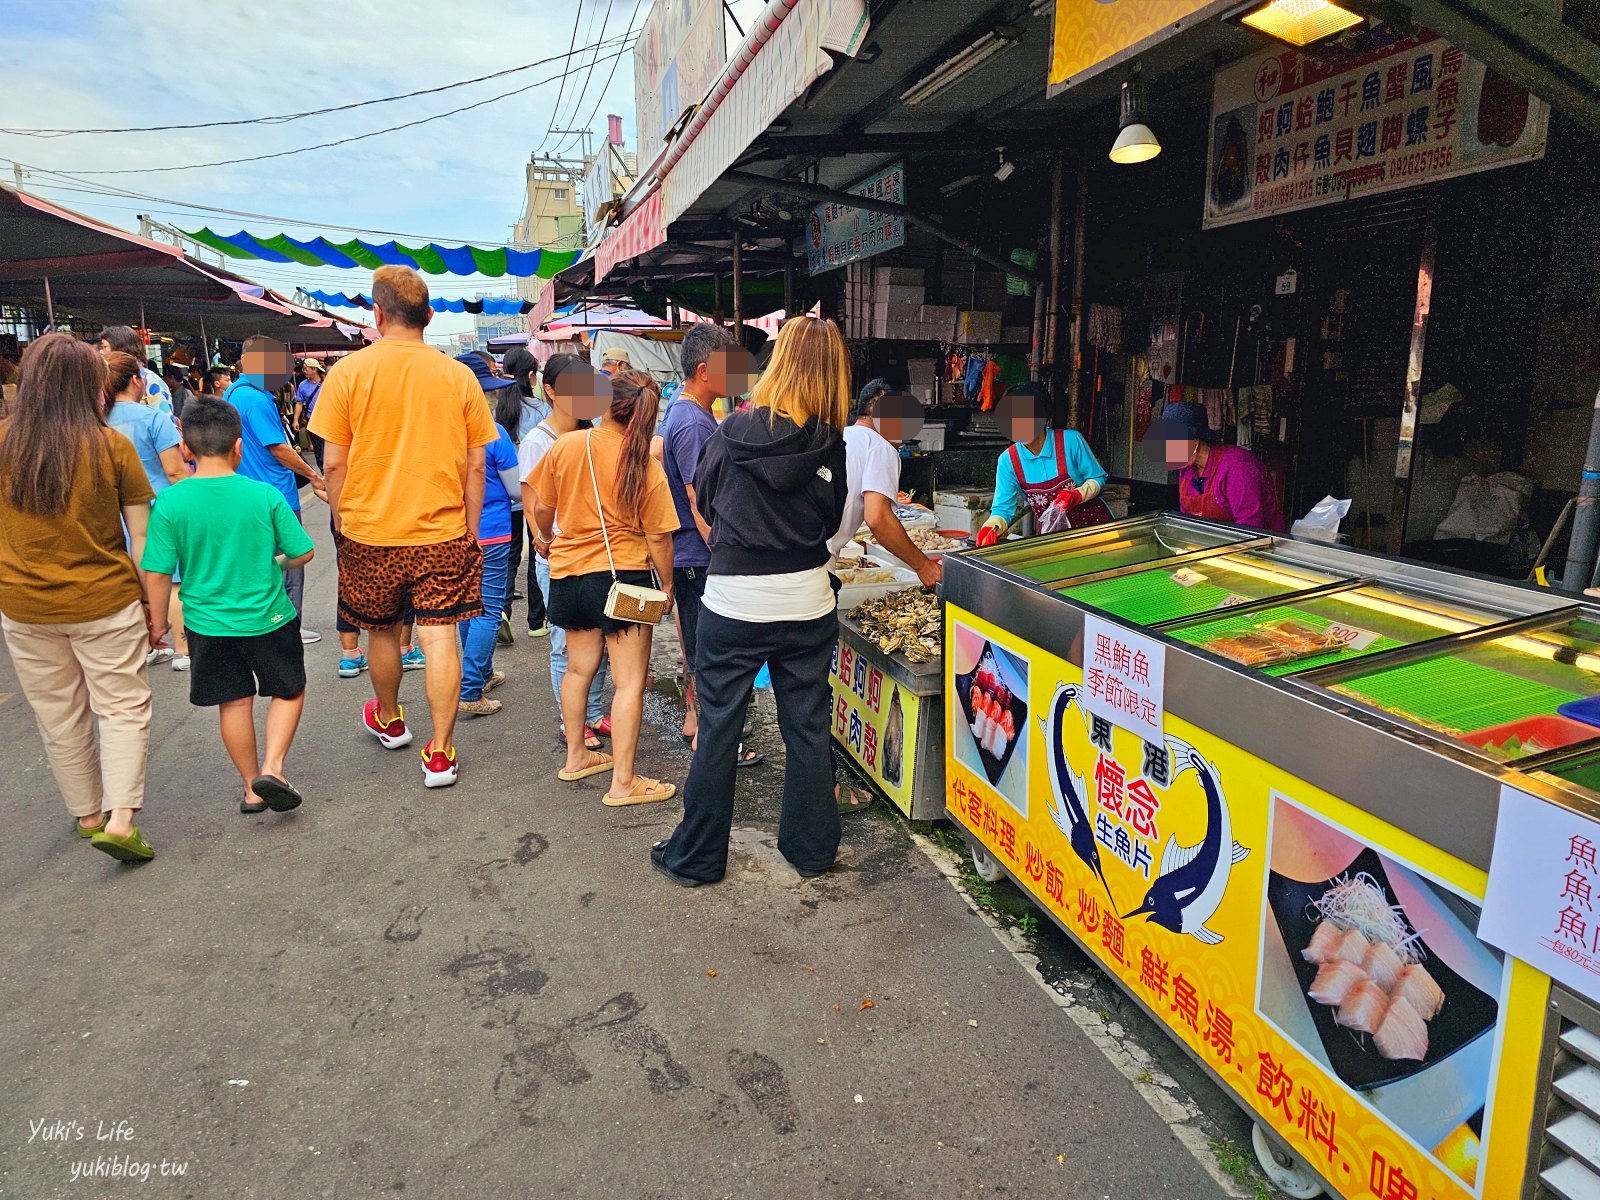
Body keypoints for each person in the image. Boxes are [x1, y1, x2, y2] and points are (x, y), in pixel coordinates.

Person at [652, 316, 851, 887]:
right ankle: (812, 849)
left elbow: (708, 504)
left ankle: (697, 857)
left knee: (719, 727)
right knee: (808, 728)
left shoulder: (729, 432)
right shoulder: (829, 442)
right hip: (807, 602)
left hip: (733, 599)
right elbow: (830, 519)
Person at [309, 264, 498, 789]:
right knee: (440, 638)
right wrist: (469, 525)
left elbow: (334, 465)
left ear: (376, 314)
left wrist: (344, 521)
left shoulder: (347, 374)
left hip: (370, 532)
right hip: (442, 531)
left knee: (382, 630)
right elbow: (477, 464)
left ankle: (390, 719)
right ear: (429, 316)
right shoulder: (458, 376)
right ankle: (441, 752)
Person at [0, 334, 157, 861]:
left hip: (22, 605)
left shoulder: (3, 442)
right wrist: (154, 604)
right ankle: (119, 819)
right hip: (105, 600)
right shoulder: (111, 447)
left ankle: (86, 812)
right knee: (121, 706)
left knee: (58, 712)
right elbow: (142, 537)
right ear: (89, 386)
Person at [142, 398, 315, 816]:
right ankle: (273, 767)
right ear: (239, 446)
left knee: (234, 701)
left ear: (187, 449)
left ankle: (251, 787)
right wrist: (274, 561)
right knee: (288, 690)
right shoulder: (263, 495)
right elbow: (303, 552)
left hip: (206, 622)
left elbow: (159, 572)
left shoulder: (170, 502)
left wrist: (159, 622)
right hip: (269, 616)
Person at [531, 369, 678, 806]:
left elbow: (542, 507)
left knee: (578, 670)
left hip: (568, 577)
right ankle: (624, 781)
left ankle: (577, 757)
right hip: (625, 580)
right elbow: (659, 537)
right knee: (630, 683)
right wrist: (667, 586)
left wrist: (545, 538)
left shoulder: (568, 445)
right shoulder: (643, 465)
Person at [661, 323, 761, 767]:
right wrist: (722, 550)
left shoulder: (693, 416)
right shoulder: (692, 423)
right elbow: (696, 496)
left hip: (694, 555)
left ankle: (695, 723)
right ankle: (711, 741)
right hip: (698, 556)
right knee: (710, 651)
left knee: (700, 645)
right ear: (705, 371)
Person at [519, 355, 609, 748]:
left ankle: (592, 714)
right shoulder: (540, 440)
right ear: (551, 390)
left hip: (598, 554)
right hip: (560, 557)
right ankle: (572, 721)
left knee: (602, 640)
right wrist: (546, 542)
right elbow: (531, 502)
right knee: (565, 643)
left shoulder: (596, 433)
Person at [223, 337, 326, 644]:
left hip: (247, 491)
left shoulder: (234, 393)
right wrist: (313, 476)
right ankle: (288, 625)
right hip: (275, 494)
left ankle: (266, 621)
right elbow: (279, 447)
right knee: (292, 561)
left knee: (263, 561)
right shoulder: (255, 399)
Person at [105, 351, 190, 670]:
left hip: (114, 509)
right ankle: (183, 649)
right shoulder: (154, 418)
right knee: (170, 579)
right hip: (156, 506)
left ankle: (146, 644)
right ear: (137, 381)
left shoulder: (96, 419)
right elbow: (175, 471)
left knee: (132, 577)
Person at [454, 352, 521, 716]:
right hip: (493, 531)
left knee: (468, 608)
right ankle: (470, 689)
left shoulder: (443, 432)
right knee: (489, 610)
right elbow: (516, 491)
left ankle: (479, 675)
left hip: (456, 532)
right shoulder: (493, 433)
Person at [829, 379, 942, 589]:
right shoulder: (880, 447)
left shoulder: (841, 435)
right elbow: (878, 517)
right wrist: (923, 566)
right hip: (815, 568)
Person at [976, 381, 1111, 546]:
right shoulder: (1008, 461)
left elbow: (1098, 478)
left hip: (1095, 531)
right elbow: (1002, 509)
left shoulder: (1070, 441)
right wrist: (991, 527)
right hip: (1051, 539)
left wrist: (1077, 495)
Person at [1160, 400, 1287, 532]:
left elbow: (1249, 528)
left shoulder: (1237, 467)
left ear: (1195, 440)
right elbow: (1186, 523)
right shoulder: (1187, 469)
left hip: (1256, 547)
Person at [499, 344, 548, 639]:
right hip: (534, 493)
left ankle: (503, 610)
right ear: (531, 376)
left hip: (505, 495)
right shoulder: (541, 410)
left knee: (510, 555)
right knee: (537, 553)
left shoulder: (498, 408)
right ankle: (536, 621)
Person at [98, 325, 172, 415]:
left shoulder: (150, 380)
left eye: (104, 347)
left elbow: (165, 420)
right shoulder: (103, 379)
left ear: (119, 348)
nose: (101, 352)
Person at [294, 357, 326, 468]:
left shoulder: (326, 382)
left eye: (306, 369)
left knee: (328, 446)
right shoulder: (303, 385)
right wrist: (295, 420)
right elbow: (299, 403)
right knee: (318, 447)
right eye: (303, 369)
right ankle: (322, 470)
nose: (304, 371)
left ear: (314, 369)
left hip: (328, 418)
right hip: (312, 419)